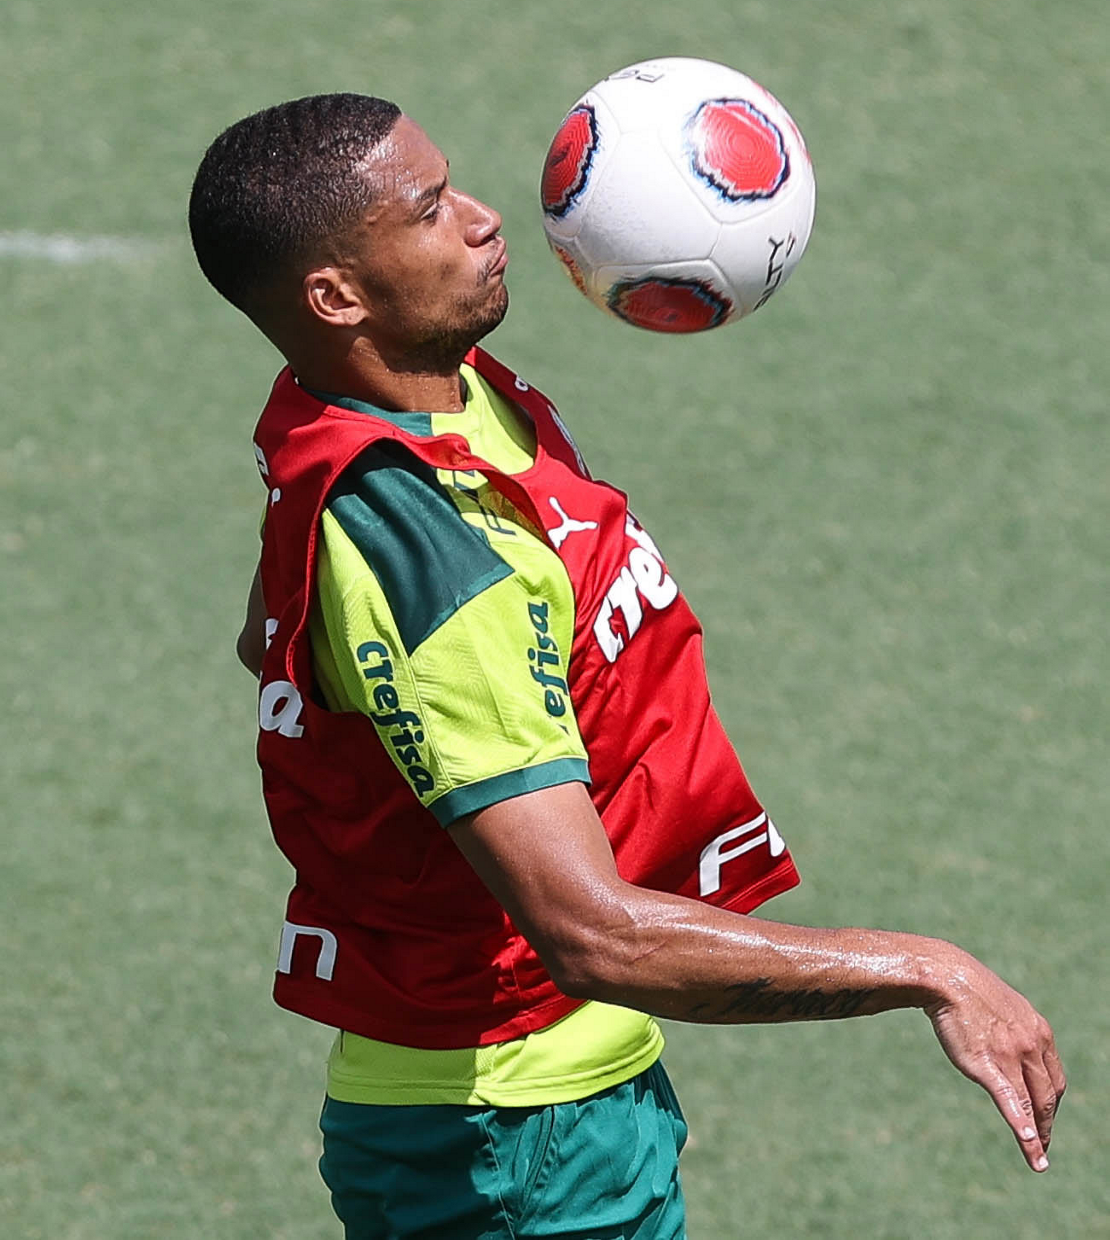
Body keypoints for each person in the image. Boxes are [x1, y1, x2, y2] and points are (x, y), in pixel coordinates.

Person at [189, 93, 1064, 1239]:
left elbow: (269, 630)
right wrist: (928, 967)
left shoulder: (423, 400)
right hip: (507, 1140)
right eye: (430, 210)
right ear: (337, 297)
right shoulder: (433, 564)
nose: (486, 217)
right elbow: (591, 932)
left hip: (558, 1108)